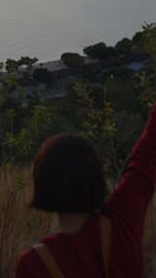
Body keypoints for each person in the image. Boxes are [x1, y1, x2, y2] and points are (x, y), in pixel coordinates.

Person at [14, 101, 156, 277]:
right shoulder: (122, 220)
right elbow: (147, 154)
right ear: (96, 178)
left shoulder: (33, 265)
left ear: (42, 184)